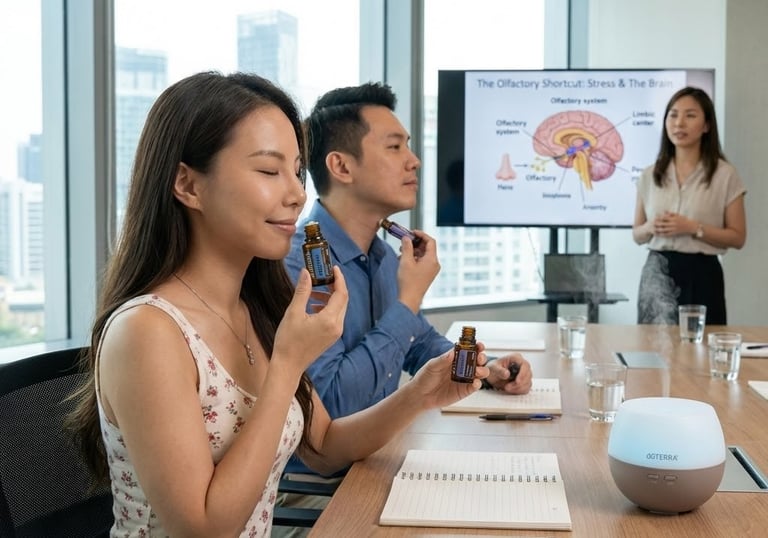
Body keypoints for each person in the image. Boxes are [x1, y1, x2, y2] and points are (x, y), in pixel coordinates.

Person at [67, 71, 491, 538]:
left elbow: (325, 445)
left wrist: (420, 395)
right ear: (187, 185)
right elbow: (204, 529)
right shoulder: (147, 331)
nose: (296, 194)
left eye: (296, 171)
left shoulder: (258, 307)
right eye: (269, 171)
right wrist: (288, 361)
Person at [281, 82, 533, 482]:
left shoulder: (381, 256)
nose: (414, 161)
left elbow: (418, 345)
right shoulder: (299, 266)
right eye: (395, 147)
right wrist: (409, 298)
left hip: (378, 462)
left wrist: (485, 368)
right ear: (341, 166)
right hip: (322, 489)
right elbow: (332, 411)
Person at [633, 86, 746, 325]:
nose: (679, 123)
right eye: (673, 115)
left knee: (702, 351)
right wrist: (652, 226)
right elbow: (637, 234)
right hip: (657, 270)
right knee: (653, 351)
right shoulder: (650, 175)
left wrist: (693, 227)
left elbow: (738, 237)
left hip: (702, 273)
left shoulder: (725, 174)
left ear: (706, 126)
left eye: (690, 115)